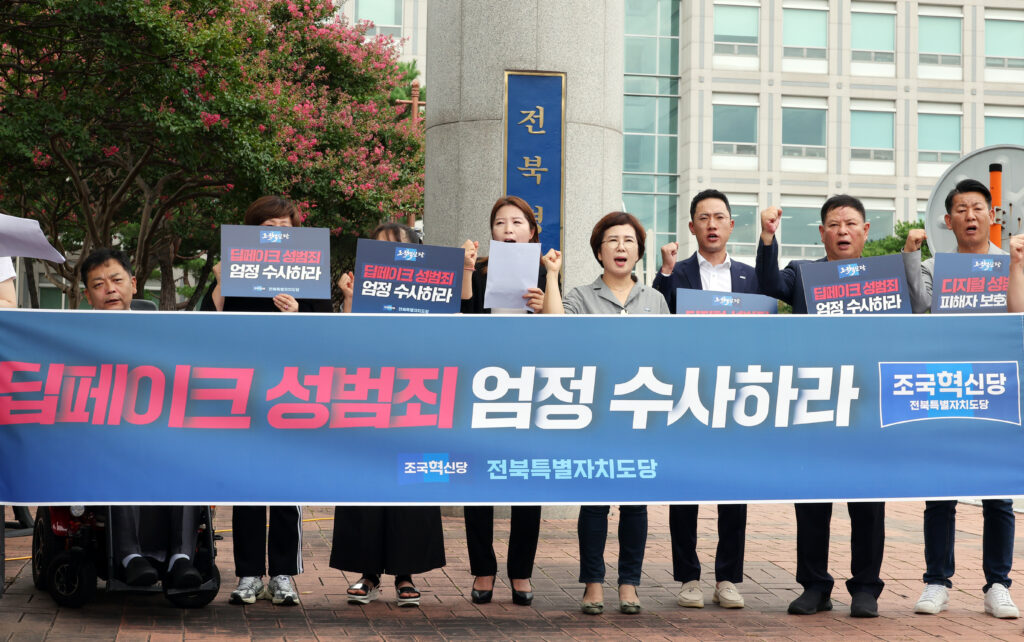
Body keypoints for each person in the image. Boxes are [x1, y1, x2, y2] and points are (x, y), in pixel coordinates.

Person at [755, 195, 885, 618]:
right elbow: (769, 286)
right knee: (812, 498)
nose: (842, 231)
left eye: (850, 223)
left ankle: (865, 587)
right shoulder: (803, 273)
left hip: (868, 403)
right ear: (822, 233)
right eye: (833, 224)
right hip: (815, 400)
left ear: (866, 231)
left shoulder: (883, 277)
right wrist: (768, 237)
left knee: (867, 500)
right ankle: (815, 585)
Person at [201, 196, 332, 606]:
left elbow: (326, 334)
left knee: (286, 485)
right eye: (267, 226)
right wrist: (220, 283)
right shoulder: (236, 277)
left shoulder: (310, 280)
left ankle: (283, 575)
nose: (276, 234)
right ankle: (247, 575)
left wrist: (298, 313)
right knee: (248, 485)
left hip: (292, 392)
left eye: (284, 227)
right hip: (246, 393)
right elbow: (208, 326)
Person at [902, 179, 1019, 619]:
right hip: (945, 383)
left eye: (978, 208)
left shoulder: (1011, 263)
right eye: (961, 210)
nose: (970, 216)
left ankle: (998, 584)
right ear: (947, 221)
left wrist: (1019, 269)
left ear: (993, 216)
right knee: (941, 489)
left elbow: (1018, 316)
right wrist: (911, 260)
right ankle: (936, 581)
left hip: (999, 387)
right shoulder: (936, 265)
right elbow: (918, 311)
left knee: (998, 492)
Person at [542, 211, 669, 615]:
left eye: (629, 241)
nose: (620, 247)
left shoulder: (655, 300)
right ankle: (593, 584)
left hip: (638, 414)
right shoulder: (580, 296)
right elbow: (555, 332)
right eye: (612, 240)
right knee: (594, 502)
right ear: (599, 250)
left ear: (639, 252)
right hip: (594, 413)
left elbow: (670, 356)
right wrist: (551, 276)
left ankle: (629, 583)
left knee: (635, 504)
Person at [333, 222, 446, 607]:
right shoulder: (362, 292)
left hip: (418, 397)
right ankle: (367, 574)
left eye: (399, 248)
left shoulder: (432, 293)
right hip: (367, 397)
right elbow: (346, 346)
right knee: (366, 485)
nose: (392, 257)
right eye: (380, 250)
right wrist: (349, 300)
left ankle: (405, 575)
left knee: (410, 485)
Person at [653, 189, 755, 610]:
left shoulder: (750, 276)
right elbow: (656, 313)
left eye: (719, 217)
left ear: (731, 225)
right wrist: (663, 270)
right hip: (690, 392)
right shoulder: (675, 273)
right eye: (703, 218)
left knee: (733, 490)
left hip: (737, 394)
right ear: (692, 226)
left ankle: (728, 578)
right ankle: (689, 577)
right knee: (686, 487)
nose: (711, 224)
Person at [81, 248, 203, 589]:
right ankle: (129, 556)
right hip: (103, 438)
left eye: (117, 280)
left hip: (159, 434)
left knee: (186, 458)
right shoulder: (72, 335)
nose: (110, 289)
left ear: (133, 284)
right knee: (120, 457)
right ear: (87, 294)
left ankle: (181, 558)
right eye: (99, 284)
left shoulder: (163, 332)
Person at [460, 195, 548, 606]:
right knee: (478, 483)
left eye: (517, 222)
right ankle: (483, 570)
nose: (508, 229)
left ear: (532, 231)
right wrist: (464, 272)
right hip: (481, 391)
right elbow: (462, 324)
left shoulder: (545, 276)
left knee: (527, 482)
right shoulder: (476, 276)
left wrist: (544, 301)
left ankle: (520, 573)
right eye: (500, 223)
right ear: (491, 232)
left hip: (530, 393)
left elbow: (559, 335)